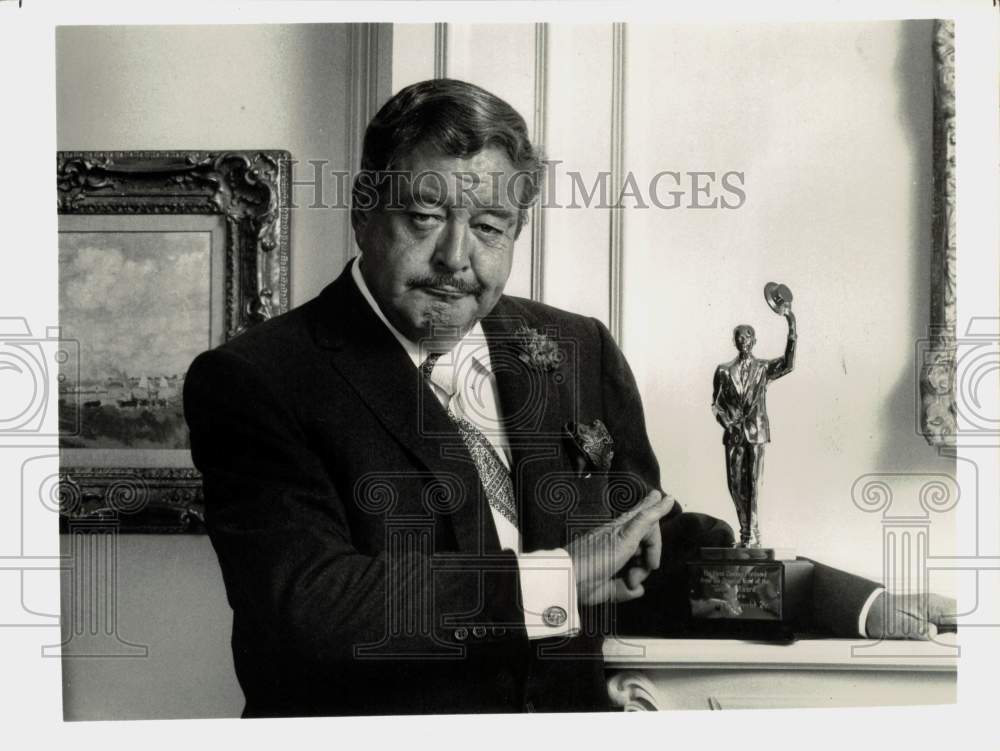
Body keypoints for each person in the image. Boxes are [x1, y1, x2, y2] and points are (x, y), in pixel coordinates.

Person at [183, 78, 954, 717]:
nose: (457, 257)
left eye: (489, 225)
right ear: (361, 209)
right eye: (424, 216)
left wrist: (844, 602)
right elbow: (310, 606)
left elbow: (651, 552)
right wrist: (556, 578)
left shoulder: (574, 347)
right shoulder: (257, 379)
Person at [712, 311, 796, 547]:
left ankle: (751, 534)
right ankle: (746, 529)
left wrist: (792, 326)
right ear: (734, 341)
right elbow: (716, 405)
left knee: (754, 484)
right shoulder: (723, 371)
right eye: (739, 338)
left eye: (747, 337)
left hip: (756, 432)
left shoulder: (763, 368)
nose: (743, 341)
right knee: (735, 484)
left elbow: (788, 364)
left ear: (754, 341)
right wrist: (727, 424)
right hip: (734, 436)